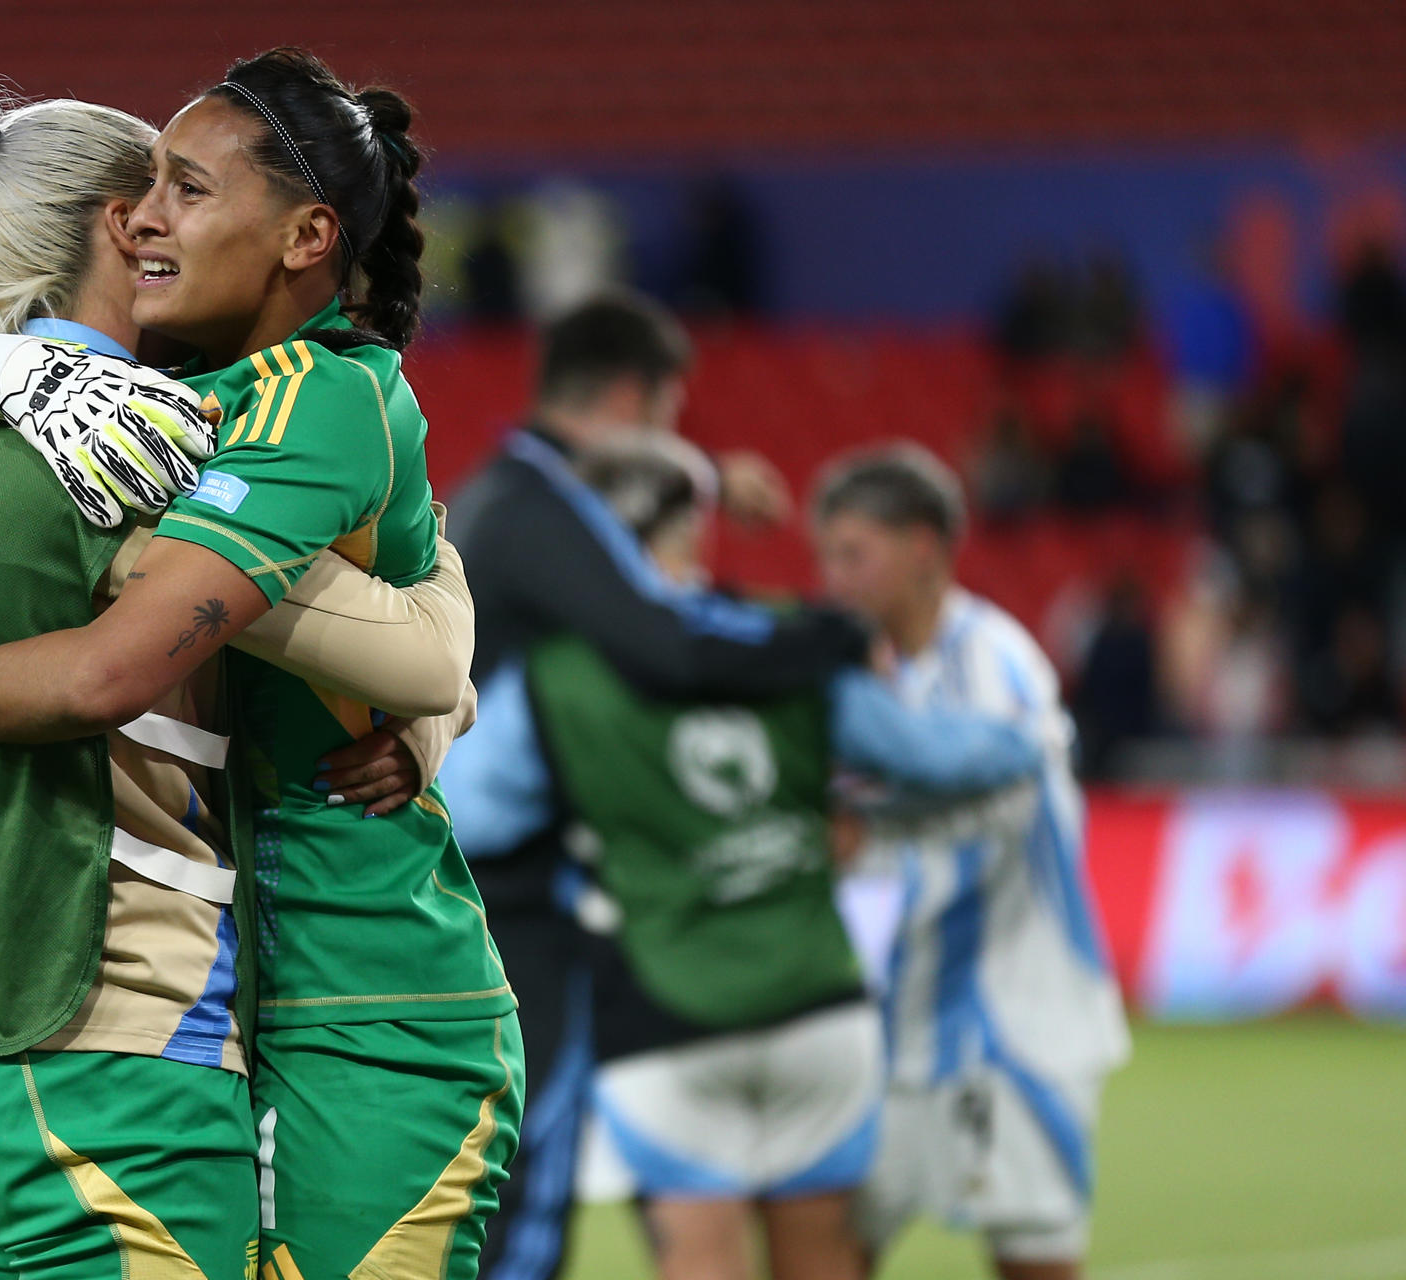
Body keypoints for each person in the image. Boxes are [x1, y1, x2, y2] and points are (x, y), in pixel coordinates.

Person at [0, 50, 522, 1280]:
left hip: (366, 1000)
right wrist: (0, 365)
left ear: (303, 234)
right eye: (148, 190)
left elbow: (126, 669)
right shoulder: (160, 395)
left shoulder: (301, 399)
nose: (151, 217)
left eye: (186, 190)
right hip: (234, 998)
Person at [490, 431, 1044, 1280]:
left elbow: (472, 810)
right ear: (692, 536)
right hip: (816, 1006)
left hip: (663, 1019)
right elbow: (939, 756)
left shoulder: (555, 675)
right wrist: (1030, 736)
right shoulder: (793, 637)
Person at [442, 292, 868, 1280]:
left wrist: (704, 477)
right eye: (671, 418)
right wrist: (828, 634)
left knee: (507, 1163)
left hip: (475, 881)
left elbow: (613, 539)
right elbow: (665, 644)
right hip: (503, 899)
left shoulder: (514, 500)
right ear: (635, 394)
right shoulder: (536, 512)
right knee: (529, 1162)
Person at [810, 445, 1130, 1280]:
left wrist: (863, 804)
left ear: (922, 549)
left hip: (1018, 1026)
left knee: (1035, 1263)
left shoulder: (999, 660)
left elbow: (1003, 769)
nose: (833, 578)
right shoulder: (834, 674)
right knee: (822, 1257)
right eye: (827, 556)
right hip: (884, 1032)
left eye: (855, 554)